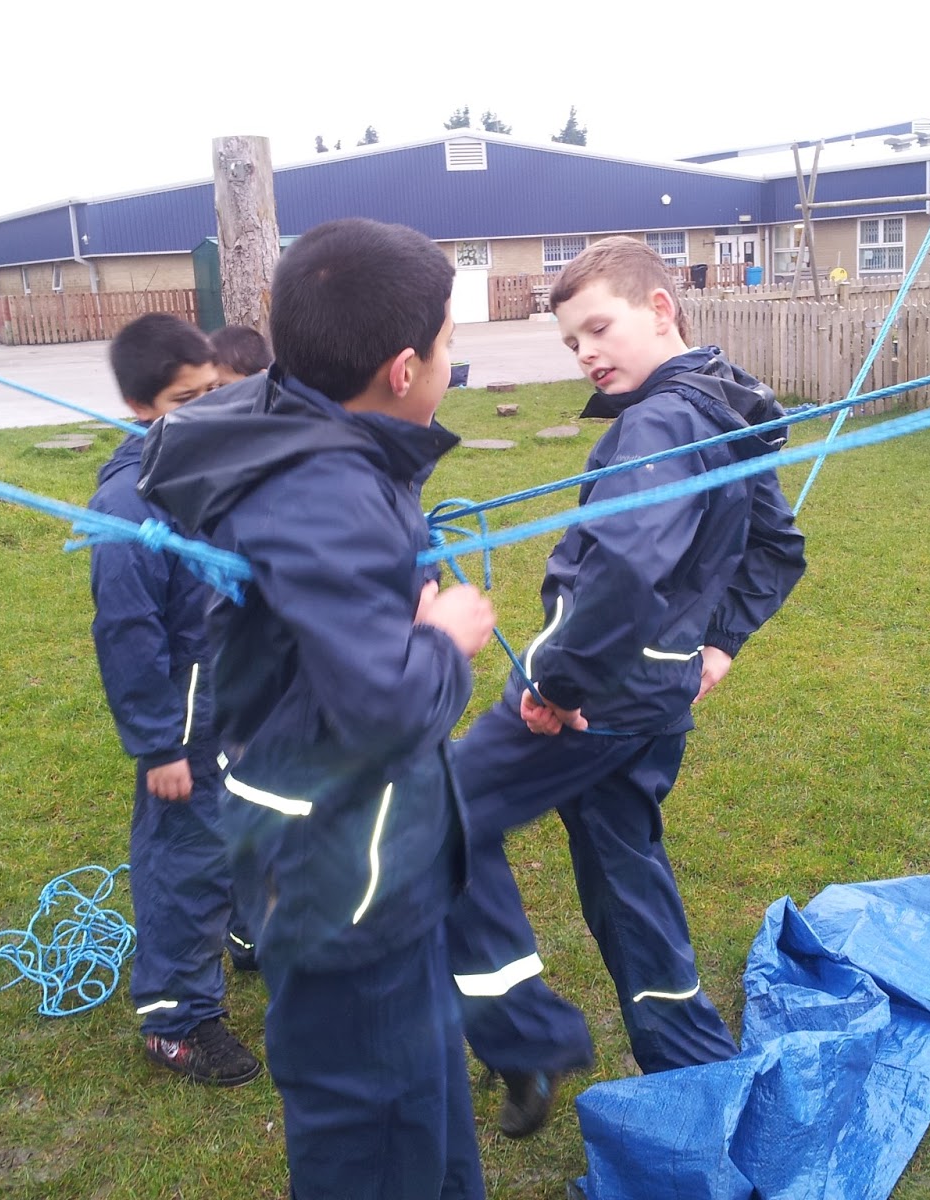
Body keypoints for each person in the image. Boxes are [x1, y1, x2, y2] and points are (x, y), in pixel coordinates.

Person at [136, 218, 495, 1200]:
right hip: (341, 880)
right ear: (402, 368)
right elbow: (385, 706)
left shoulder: (317, 437)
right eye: (448, 345)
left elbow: (330, 635)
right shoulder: (324, 487)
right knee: (370, 1123)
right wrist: (445, 637)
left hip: (371, 857)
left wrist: (395, 606)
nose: (450, 362)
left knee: (422, 1105)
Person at [445, 236, 807, 1138]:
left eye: (599, 328)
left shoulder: (659, 424)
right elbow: (776, 546)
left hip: (594, 699)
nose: (587, 353)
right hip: (654, 700)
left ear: (660, 308)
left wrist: (557, 684)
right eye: (572, 342)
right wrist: (717, 645)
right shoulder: (721, 404)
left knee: (432, 812)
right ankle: (692, 1069)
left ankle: (523, 1034)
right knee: (622, 865)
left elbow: (623, 570)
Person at [88, 313, 262, 1086]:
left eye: (214, 391)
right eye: (186, 399)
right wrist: (157, 744)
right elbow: (126, 633)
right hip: (184, 726)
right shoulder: (129, 508)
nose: (207, 409)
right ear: (140, 405)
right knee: (186, 861)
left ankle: (250, 937)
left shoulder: (204, 471)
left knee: (250, 826)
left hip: (238, 697)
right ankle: (176, 1020)